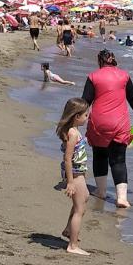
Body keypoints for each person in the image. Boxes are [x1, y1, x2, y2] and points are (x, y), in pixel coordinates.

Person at [81, 49, 133, 208]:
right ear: (113, 60)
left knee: (100, 156)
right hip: (120, 123)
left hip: (99, 123)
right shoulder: (124, 76)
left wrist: (76, 119)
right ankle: (122, 198)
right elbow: (132, 98)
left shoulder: (93, 76)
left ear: (100, 61)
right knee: (118, 160)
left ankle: (101, 191)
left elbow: (85, 101)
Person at [56, 97, 92, 256]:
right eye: (85, 115)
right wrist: (70, 182)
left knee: (85, 198)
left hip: (79, 173)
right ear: (76, 116)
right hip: (74, 175)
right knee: (79, 209)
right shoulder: (72, 133)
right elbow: (67, 158)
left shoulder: (75, 131)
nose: (87, 118)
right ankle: (72, 245)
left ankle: (68, 229)